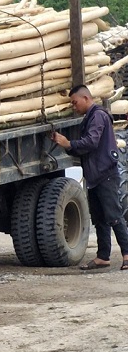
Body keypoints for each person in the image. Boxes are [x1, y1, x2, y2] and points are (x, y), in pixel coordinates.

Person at [51, 84, 128, 271]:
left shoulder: (98, 116)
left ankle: (127, 254)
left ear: (86, 98)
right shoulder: (90, 117)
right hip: (94, 176)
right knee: (99, 217)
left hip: (105, 174)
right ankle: (103, 257)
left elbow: (91, 142)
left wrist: (68, 143)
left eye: (75, 102)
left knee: (114, 216)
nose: (74, 106)